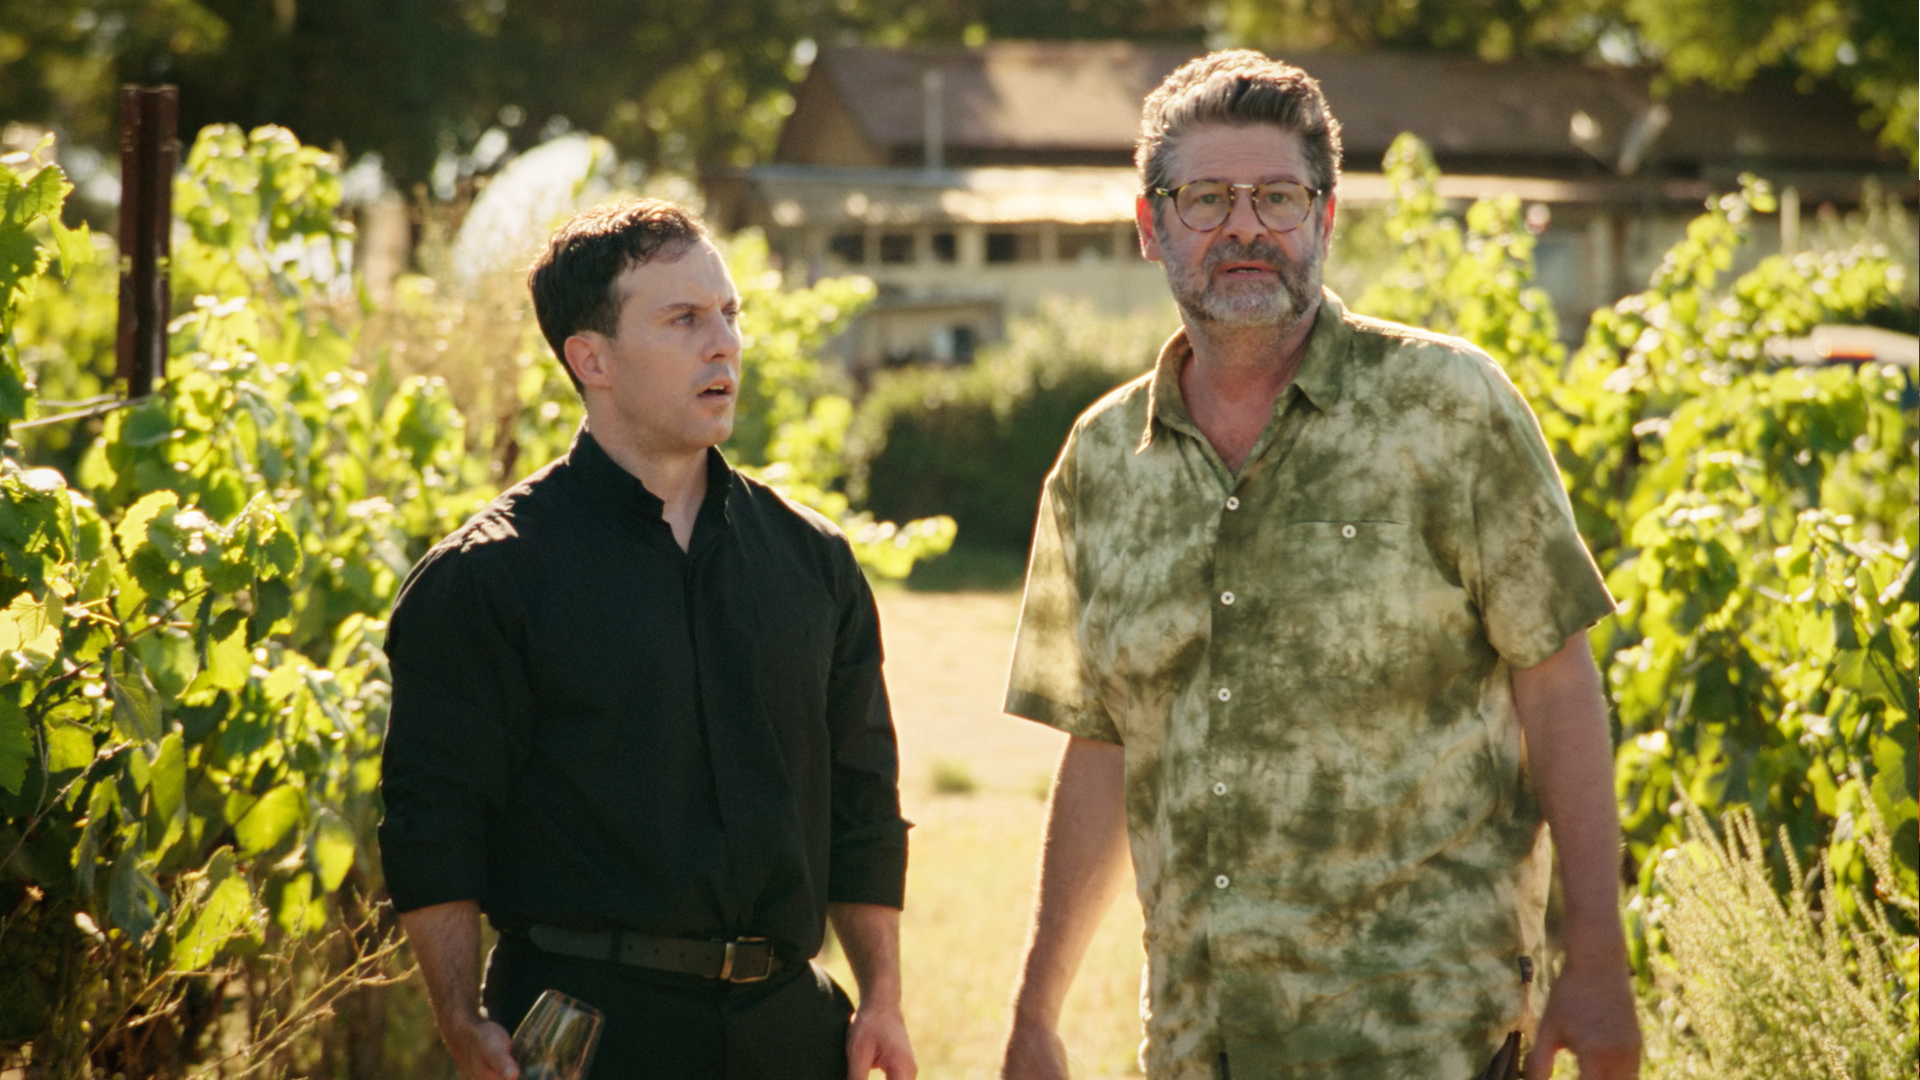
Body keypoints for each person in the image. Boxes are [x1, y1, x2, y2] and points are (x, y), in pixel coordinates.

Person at [997, 51, 1641, 1080]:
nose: (1245, 227)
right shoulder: (1101, 460)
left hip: (1430, 1040)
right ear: (1149, 224)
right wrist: (1037, 1013)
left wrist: (1597, 960)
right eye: (1205, 198)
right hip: (1201, 1047)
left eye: (1279, 196)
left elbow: (1555, 683)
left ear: (1326, 220)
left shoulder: (1449, 406)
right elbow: (1102, 746)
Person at [377, 199, 916, 1080]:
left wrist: (882, 998)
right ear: (591, 359)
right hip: (587, 1038)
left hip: (791, 1033)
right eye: (684, 319)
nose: (725, 344)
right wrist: (462, 1018)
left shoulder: (813, 562)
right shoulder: (487, 579)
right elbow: (433, 818)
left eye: (730, 314)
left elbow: (863, 800)